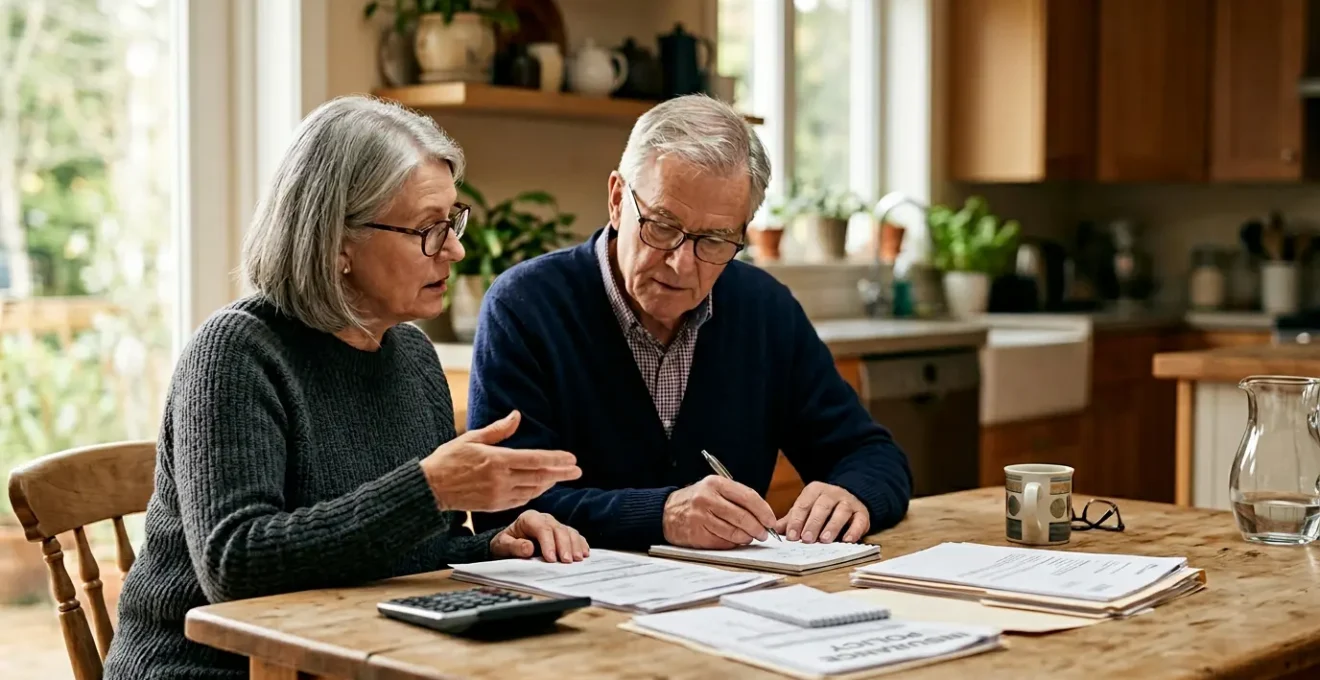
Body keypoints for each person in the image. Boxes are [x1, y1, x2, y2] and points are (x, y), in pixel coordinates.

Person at [103, 96, 588, 680]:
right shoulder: (235, 352)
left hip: (348, 657)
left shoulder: (411, 355)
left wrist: (494, 546)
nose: (455, 249)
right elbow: (235, 564)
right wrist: (428, 489)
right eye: (428, 230)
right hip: (206, 669)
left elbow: (397, 551)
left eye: (452, 221)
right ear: (337, 245)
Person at [467, 95, 912, 552]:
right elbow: (502, 507)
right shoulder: (526, 305)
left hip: (735, 605)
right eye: (662, 226)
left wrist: (851, 494)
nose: (681, 264)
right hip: (575, 603)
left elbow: (873, 455)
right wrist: (661, 516)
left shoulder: (765, 309)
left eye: (716, 240)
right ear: (618, 200)